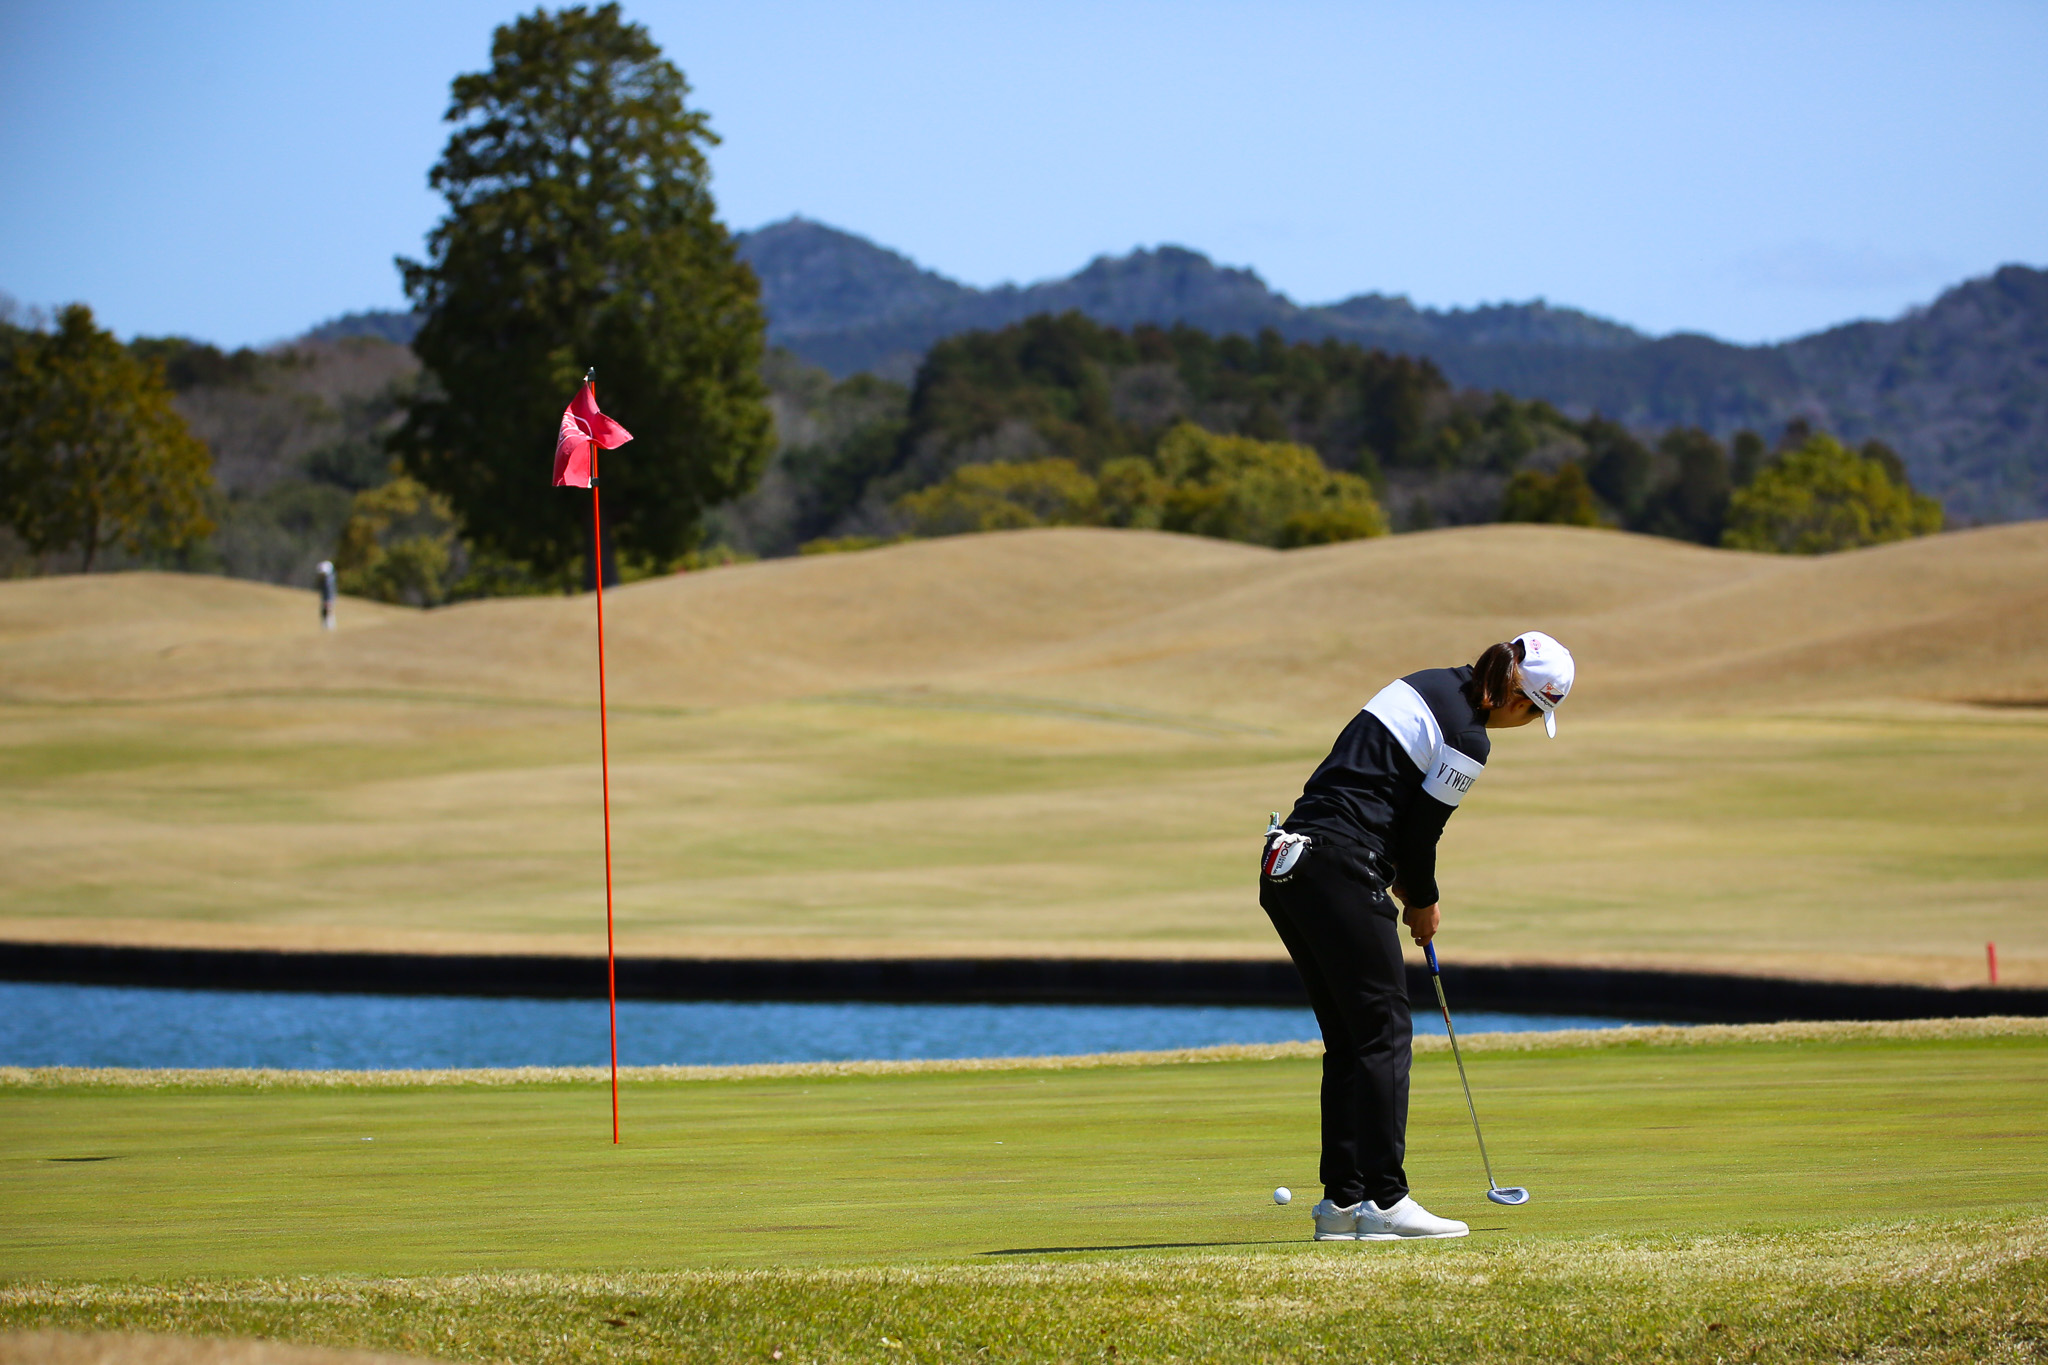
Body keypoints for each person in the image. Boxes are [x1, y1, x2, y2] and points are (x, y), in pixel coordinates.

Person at [1259, 631, 1574, 1241]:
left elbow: (1390, 817)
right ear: (1520, 701)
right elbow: (1416, 840)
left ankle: (1343, 1205)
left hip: (1290, 867)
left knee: (1353, 1041)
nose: (1529, 724)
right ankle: (1385, 1200)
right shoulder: (1469, 738)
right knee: (1385, 1032)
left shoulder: (1427, 682)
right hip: (1343, 867)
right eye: (1537, 715)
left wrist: (1404, 883)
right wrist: (1423, 904)